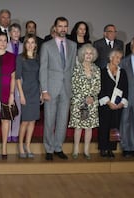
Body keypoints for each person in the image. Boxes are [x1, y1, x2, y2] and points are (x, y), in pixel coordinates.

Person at [40, 17, 77, 161]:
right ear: (55, 28)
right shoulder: (47, 46)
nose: (63, 29)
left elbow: (73, 68)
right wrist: (44, 91)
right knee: (49, 120)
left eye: (65, 26)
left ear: (67, 28)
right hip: (51, 89)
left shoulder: (73, 45)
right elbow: (43, 69)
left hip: (66, 89)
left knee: (62, 120)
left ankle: (58, 147)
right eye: (60, 26)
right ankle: (48, 149)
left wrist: (72, 88)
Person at [68, 44, 101, 160]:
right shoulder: (77, 68)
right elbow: (74, 85)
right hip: (78, 102)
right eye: (86, 53)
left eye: (90, 53)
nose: (88, 55)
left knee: (89, 127)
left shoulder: (96, 69)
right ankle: (76, 149)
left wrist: (91, 96)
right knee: (78, 127)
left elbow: (98, 86)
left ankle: (86, 150)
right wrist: (84, 98)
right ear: (82, 55)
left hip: (92, 102)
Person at [98, 49, 128, 159]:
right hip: (106, 104)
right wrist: (108, 102)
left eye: (120, 58)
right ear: (110, 58)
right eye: (117, 57)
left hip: (118, 106)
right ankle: (103, 148)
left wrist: (122, 103)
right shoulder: (102, 71)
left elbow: (125, 88)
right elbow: (99, 89)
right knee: (104, 127)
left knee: (114, 127)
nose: (118, 60)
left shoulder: (123, 72)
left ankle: (111, 149)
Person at [15, 34, 40, 158]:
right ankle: (20, 146)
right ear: (24, 44)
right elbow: (17, 78)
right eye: (28, 42)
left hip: (36, 91)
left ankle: (28, 145)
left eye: (32, 42)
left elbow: (40, 77)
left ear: (35, 44)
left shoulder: (38, 58)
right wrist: (21, 95)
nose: (30, 45)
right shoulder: (20, 58)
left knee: (33, 121)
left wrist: (41, 92)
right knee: (25, 121)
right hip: (26, 91)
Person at [6, 23, 23, 143]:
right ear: (10, 33)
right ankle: (7, 133)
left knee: (18, 107)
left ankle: (15, 133)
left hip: (21, 80)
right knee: (8, 106)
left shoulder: (25, 46)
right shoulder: (5, 45)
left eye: (18, 31)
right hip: (7, 80)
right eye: (13, 31)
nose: (16, 33)